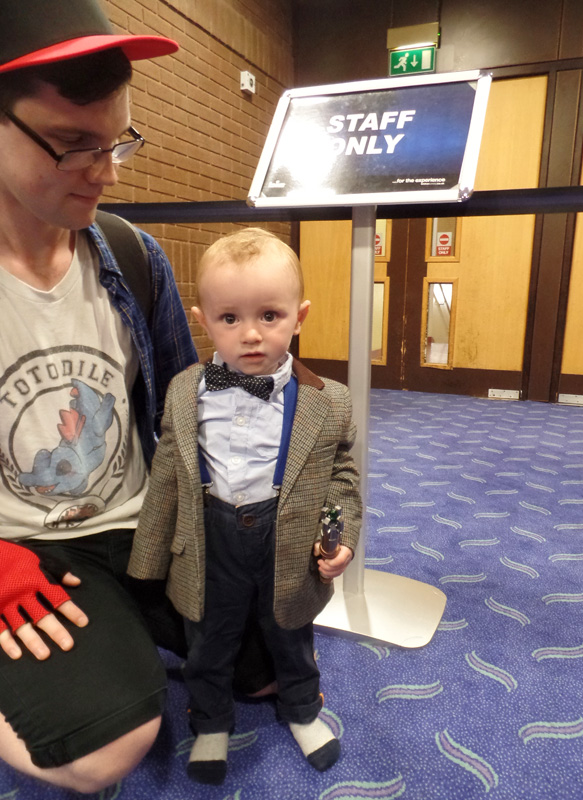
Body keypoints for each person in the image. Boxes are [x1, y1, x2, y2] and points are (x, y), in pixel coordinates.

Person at [0, 1, 272, 793]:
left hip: (139, 524)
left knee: (271, 649)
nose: (109, 170)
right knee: (105, 748)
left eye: (118, 139)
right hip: (25, 551)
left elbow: (187, 420)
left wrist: (273, 513)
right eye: (75, 145)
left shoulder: (129, 253)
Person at [127, 227, 362, 785]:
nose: (251, 335)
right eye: (230, 318)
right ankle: (211, 722)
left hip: (290, 539)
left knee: (292, 632)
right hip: (211, 538)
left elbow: (343, 477)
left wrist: (342, 535)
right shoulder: (185, 392)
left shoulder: (329, 403)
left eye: (270, 316)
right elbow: (166, 478)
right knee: (209, 636)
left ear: (299, 316)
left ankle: (302, 710)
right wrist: (147, 562)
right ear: (202, 319)